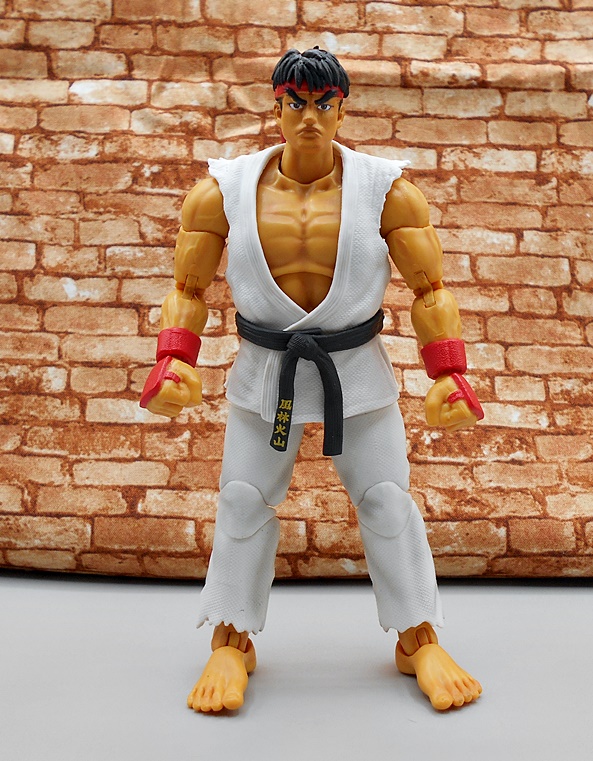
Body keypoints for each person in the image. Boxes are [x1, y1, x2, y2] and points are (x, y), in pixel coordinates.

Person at [141, 47, 483, 712]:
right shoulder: (223, 191)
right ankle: (230, 638)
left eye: (323, 104)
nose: (309, 117)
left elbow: (430, 287)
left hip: (354, 365)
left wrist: (448, 372)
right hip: (266, 366)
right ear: (276, 107)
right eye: (295, 103)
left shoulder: (386, 190)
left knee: (387, 500)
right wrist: (173, 358)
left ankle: (418, 637)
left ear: (341, 109)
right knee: (242, 499)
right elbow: (187, 287)